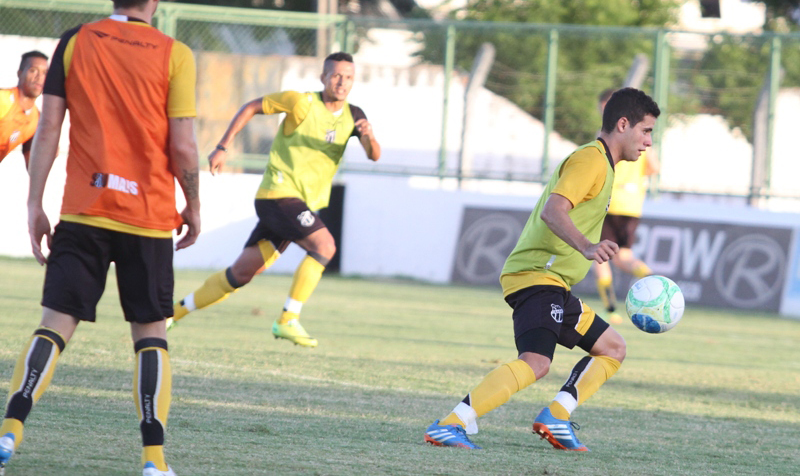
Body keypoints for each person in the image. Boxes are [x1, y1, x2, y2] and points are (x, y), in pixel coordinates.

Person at [0, 0, 200, 476]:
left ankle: (9, 431)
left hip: (83, 211)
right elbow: (183, 148)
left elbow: (48, 129)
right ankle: (154, 460)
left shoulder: (74, 42)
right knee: (151, 333)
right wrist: (194, 203)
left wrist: (34, 204)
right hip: (150, 216)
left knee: (54, 325)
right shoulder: (174, 54)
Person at [424, 88, 660, 451]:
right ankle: (451, 423)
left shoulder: (606, 166)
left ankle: (556, 416)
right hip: (537, 275)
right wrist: (587, 246)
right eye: (645, 131)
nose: (647, 142)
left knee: (613, 347)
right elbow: (553, 210)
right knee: (535, 362)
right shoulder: (591, 160)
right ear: (623, 124)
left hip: (555, 283)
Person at [168, 52, 381, 348]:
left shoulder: (355, 116)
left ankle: (173, 313)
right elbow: (251, 107)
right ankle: (287, 319)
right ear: (323, 77)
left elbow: (374, 154)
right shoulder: (301, 102)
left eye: (348, 77)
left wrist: (369, 137)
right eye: (335, 75)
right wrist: (222, 146)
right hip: (278, 195)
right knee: (325, 246)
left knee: (241, 273)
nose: (341, 82)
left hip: (296, 205)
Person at [592, 89, 660, 324]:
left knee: (600, 257)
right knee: (623, 256)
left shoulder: (609, 133)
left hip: (610, 203)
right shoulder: (641, 133)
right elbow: (653, 167)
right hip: (632, 205)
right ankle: (653, 280)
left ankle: (611, 310)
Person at [0, 51, 49, 168]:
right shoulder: (4, 100)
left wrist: (47, 155)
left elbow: (32, 165)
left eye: (44, 73)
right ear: (20, 73)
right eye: (33, 70)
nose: (39, 77)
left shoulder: (37, 119)